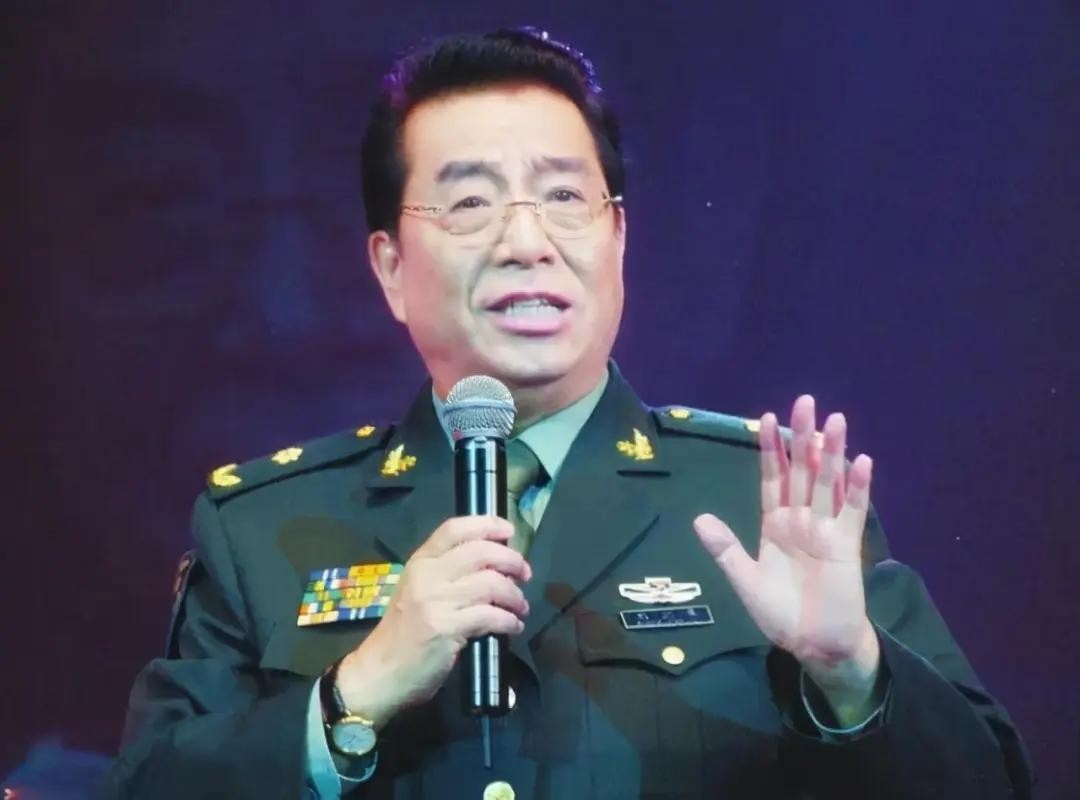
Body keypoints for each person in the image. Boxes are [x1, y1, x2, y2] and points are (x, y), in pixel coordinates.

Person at [105, 28, 1033, 800]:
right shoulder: (258, 528)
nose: (526, 241)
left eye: (562, 196)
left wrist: (851, 675)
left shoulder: (766, 499)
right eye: (470, 202)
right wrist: (352, 698)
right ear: (390, 267)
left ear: (617, 235)